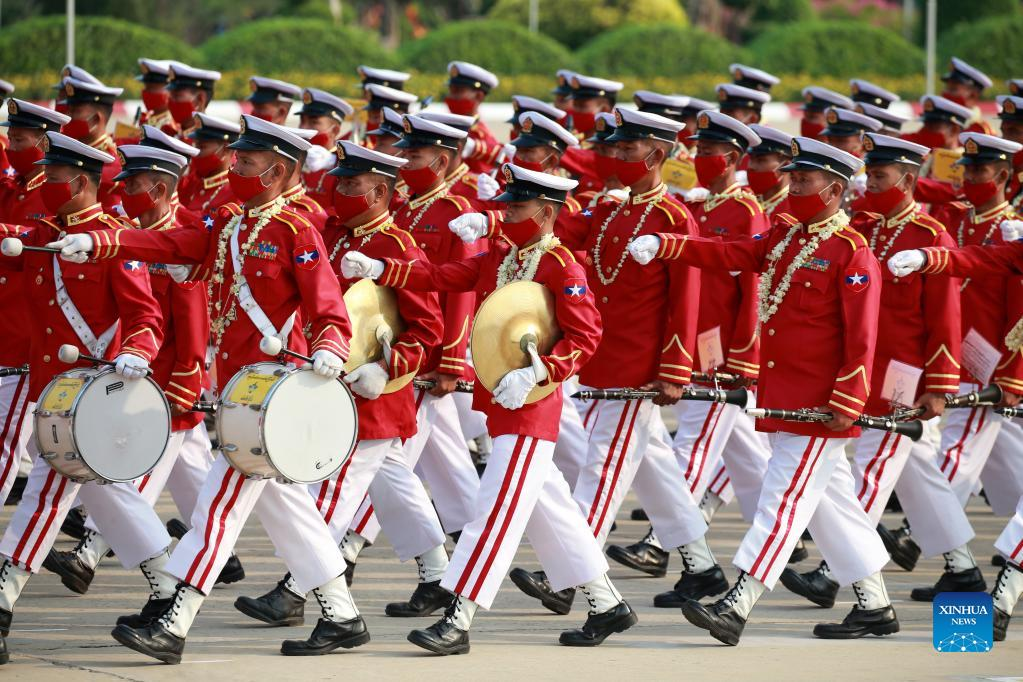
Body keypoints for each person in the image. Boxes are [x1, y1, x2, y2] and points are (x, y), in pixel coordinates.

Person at [50, 116, 361, 663]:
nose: (233, 167)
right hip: (240, 393)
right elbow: (171, 241)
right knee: (290, 511)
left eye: (245, 162)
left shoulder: (296, 230)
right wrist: (101, 241)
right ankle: (342, 616)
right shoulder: (228, 222)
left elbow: (329, 308)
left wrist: (331, 347)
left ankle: (174, 622)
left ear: (276, 172)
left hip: (273, 400)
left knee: (216, 510)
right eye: (236, 158)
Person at [342, 163, 637, 654]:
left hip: (531, 408)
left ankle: (458, 618)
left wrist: (540, 372)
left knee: (493, 514)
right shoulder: (503, 256)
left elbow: (586, 336)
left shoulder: (562, 265)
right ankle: (607, 605)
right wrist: (382, 270)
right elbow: (442, 275)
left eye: (518, 207)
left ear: (546, 213)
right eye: (506, 206)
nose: (507, 215)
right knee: (554, 512)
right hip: (503, 405)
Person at [628, 136, 897, 644]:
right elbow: (731, 251)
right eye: (792, 178)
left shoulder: (851, 252)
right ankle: (875, 605)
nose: (792, 186)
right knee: (832, 505)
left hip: (821, 405)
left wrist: (847, 400)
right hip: (788, 397)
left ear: (834, 189)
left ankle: (738, 603)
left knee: (783, 501)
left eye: (804, 180)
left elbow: (863, 338)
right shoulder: (786, 237)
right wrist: (669, 244)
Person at [233, 140, 454, 627]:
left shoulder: (397, 247)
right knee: (396, 486)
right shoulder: (329, 232)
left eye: (352, 184)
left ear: (380, 192)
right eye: (339, 180)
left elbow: (427, 329)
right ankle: (440, 573)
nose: (339, 190)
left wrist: (387, 369)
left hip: (373, 392)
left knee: (334, 490)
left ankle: (296, 589)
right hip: (333, 382)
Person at [782, 132, 982, 608]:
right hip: (868, 369)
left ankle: (834, 575)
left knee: (872, 466)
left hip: (904, 376)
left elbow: (945, 316)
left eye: (880, 176)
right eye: (869, 174)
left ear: (908, 181)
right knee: (915, 472)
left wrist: (939, 384)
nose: (869, 183)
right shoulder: (864, 228)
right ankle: (962, 569)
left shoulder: (930, 236)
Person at [0, 132, 173, 665]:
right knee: (111, 493)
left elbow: (146, 317)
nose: (43, 187)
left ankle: (1, 601)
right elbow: (12, 237)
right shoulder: (45, 234)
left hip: (93, 398)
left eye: (53, 179)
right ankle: (169, 589)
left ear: (79, 183)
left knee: (45, 495)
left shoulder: (114, 241)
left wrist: (138, 352)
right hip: (53, 392)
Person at [41, 143, 242, 593]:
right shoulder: (135, 235)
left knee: (132, 469)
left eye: (133, 185)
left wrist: (185, 380)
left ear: (159, 189)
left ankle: (92, 554)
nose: (124, 192)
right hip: (136, 373)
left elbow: (191, 322)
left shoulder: (179, 240)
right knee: (182, 468)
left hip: (166, 381)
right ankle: (217, 557)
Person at [606, 111, 772, 591]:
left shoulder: (745, 211)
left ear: (733, 159)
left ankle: (659, 544)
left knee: (695, 445)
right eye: (698, 150)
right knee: (747, 458)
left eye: (710, 152)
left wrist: (742, 357)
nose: (700, 159)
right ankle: (710, 561)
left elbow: (753, 290)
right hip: (697, 341)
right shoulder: (702, 205)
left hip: (721, 349)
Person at [57, 75, 124, 209]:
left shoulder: (113, 162)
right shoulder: (66, 154)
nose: (67, 117)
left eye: (75, 111)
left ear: (96, 119)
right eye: (68, 110)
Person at [297, 88, 354, 208]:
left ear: (335, 130)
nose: (303, 128)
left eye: (313, 122)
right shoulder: (293, 156)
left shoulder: (346, 166)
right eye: (302, 121)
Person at [445, 61, 502, 175]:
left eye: (458, 91)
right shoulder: (444, 126)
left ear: (479, 96)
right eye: (451, 90)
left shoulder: (480, 137)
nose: (452, 96)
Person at [179, 113, 239, 216]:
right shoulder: (189, 183)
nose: (196, 153)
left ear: (225, 149)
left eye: (201, 147)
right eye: (195, 146)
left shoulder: (237, 191)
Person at [746, 124, 793, 219]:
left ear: (785, 166)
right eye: (751, 159)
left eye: (761, 160)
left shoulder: (794, 208)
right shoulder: (745, 200)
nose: (751, 166)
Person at [941, 57, 996, 135]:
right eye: (946, 88)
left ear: (973, 95)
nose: (945, 93)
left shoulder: (982, 133)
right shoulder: (938, 125)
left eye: (953, 89)